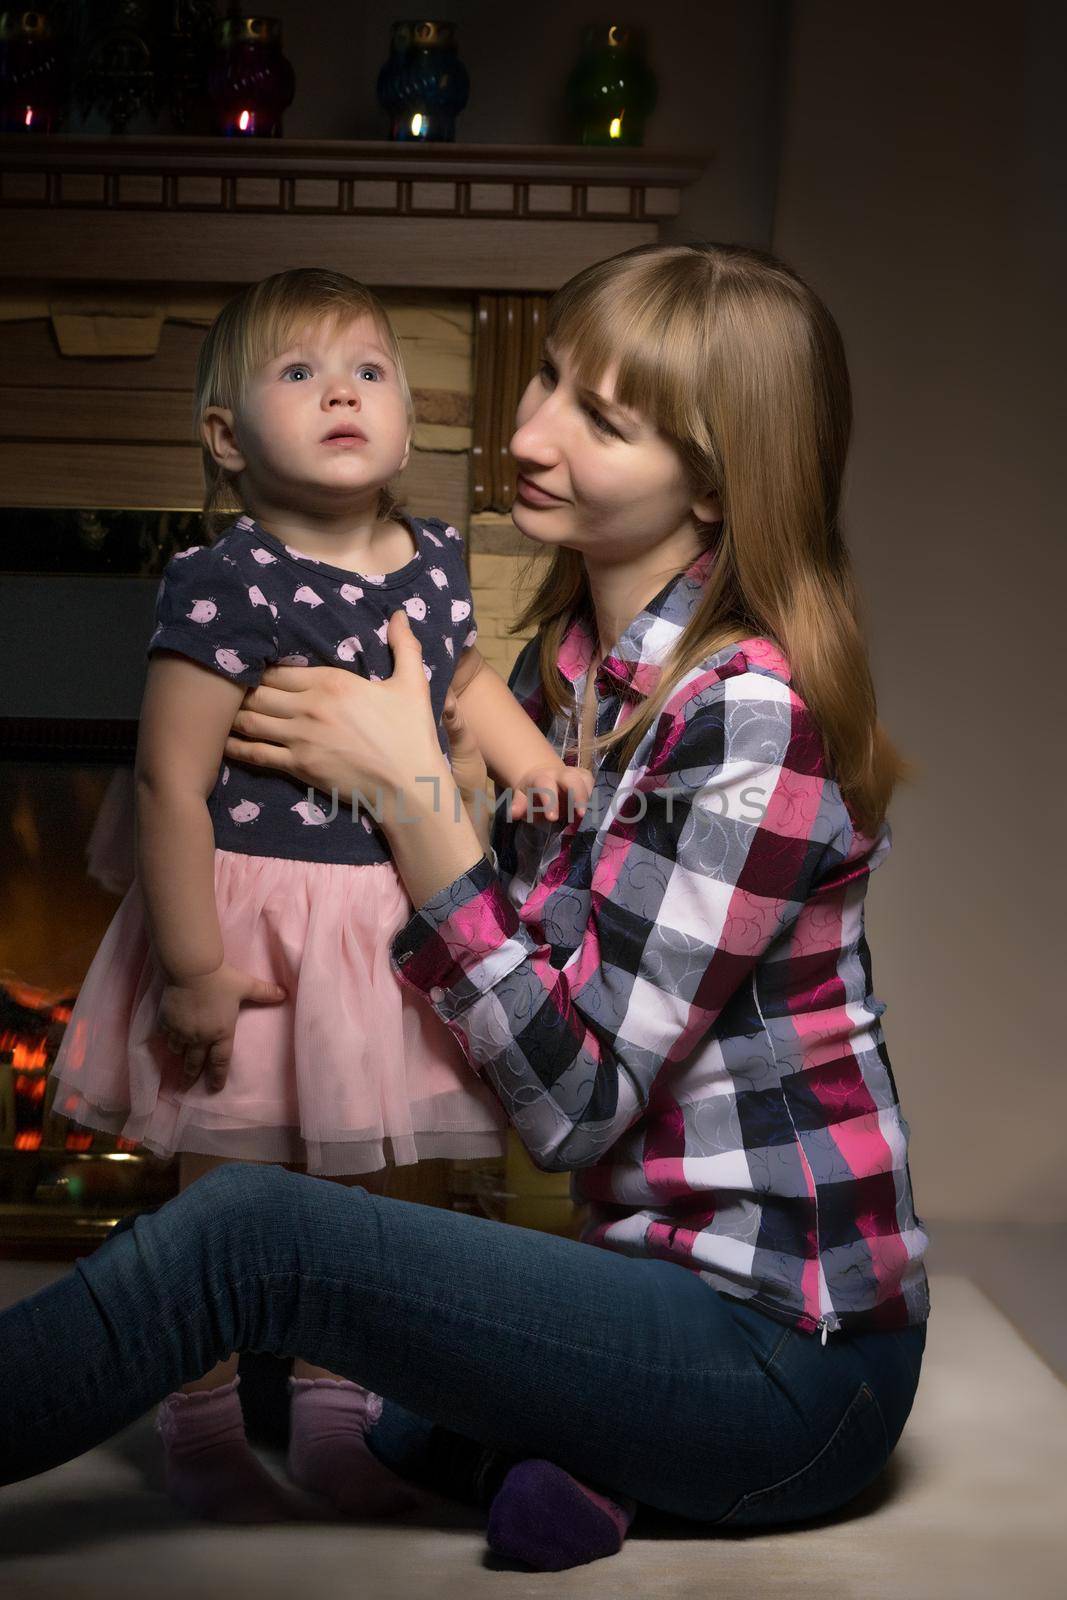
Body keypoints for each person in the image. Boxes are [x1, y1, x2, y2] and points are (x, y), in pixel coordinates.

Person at [2, 242, 929, 1573]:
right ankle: (576, 1456)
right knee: (285, 1378)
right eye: (545, 376)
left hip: (785, 1355)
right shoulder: (564, 678)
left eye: (597, 419)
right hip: (632, 1283)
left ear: (716, 485)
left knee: (250, 1240)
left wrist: (412, 796)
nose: (526, 430)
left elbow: (574, 1109)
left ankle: (596, 1447)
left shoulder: (746, 717)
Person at [43, 268, 592, 1525]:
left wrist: (533, 763)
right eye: (299, 374)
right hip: (252, 921)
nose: (342, 389)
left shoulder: (436, 558)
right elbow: (168, 780)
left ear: (405, 419)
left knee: (372, 1191)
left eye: (367, 369)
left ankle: (343, 1415)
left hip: (387, 916)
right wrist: (189, 965)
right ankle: (199, 1412)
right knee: (228, 1175)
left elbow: (459, 689)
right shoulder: (220, 582)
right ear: (228, 437)